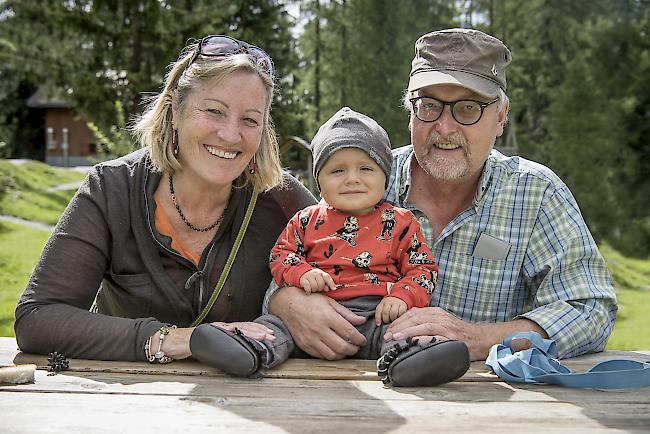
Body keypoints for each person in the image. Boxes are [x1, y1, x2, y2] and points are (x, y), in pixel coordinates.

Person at [266, 28, 617, 363]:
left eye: (469, 108)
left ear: (500, 117)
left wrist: (478, 339)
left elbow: (590, 310)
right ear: (410, 112)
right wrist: (288, 303)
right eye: (430, 105)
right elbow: (293, 258)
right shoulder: (361, 175)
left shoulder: (537, 193)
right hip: (347, 403)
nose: (445, 128)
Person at [14, 34, 316, 363]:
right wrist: (175, 340)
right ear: (175, 109)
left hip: (261, 401)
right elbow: (37, 318)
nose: (231, 135)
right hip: (122, 403)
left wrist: (285, 300)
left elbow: (361, 268)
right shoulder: (112, 189)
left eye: (249, 120)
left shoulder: (283, 201)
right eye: (214, 111)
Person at [189, 107, 470, 386]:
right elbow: (281, 255)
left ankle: (412, 362)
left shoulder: (400, 222)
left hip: (377, 314)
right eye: (337, 170)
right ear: (318, 181)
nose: (352, 178)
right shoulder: (307, 219)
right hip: (312, 316)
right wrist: (301, 274)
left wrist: (402, 297)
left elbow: (422, 269)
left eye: (365, 168)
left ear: (385, 176)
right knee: (275, 329)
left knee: (401, 333)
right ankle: (249, 349)